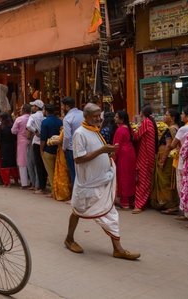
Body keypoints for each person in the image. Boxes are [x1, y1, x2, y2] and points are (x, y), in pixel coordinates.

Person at [64, 103, 140, 260]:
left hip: (101, 181)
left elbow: (95, 153)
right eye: (95, 116)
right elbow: (78, 159)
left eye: (99, 116)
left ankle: (117, 248)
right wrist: (102, 151)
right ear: (86, 117)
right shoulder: (80, 133)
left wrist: (108, 154)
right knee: (77, 211)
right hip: (87, 184)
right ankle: (69, 239)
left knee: (111, 214)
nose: (99, 119)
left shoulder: (94, 131)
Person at [150, 110, 180, 212]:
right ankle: (170, 204)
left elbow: (168, 146)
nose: (164, 116)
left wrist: (162, 160)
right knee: (168, 180)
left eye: (166, 115)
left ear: (172, 118)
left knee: (165, 181)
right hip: (170, 157)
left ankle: (169, 204)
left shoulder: (170, 130)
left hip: (166, 157)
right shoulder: (177, 129)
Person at [170, 105, 188, 214]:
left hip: (182, 161)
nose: (181, 115)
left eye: (182, 113)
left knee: (182, 187)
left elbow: (173, 144)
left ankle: (186, 213)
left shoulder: (184, 129)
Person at [132, 105, 158, 214]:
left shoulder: (146, 122)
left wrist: (131, 131)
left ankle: (139, 205)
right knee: (146, 180)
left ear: (142, 112)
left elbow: (136, 137)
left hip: (145, 156)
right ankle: (145, 203)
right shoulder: (149, 122)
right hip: (148, 155)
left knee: (142, 182)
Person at [113, 111, 136, 210]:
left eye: (116, 116)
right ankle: (130, 201)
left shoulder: (120, 130)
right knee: (130, 178)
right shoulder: (129, 128)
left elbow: (117, 146)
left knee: (123, 178)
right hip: (131, 154)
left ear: (121, 119)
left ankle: (125, 203)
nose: (114, 118)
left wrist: (113, 158)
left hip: (123, 155)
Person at [40, 104, 63, 195]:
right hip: (58, 148)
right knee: (58, 171)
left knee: (51, 172)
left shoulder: (45, 122)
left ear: (46, 111)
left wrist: (41, 149)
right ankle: (59, 190)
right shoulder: (59, 121)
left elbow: (43, 138)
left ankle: (54, 191)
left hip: (48, 149)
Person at [61, 96, 84, 185]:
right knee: (82, 173)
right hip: (83, 146)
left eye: (62, 106)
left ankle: (75, 197)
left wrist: (64, 147)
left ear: (67, 106)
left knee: (73, 172)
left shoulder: (67, 118)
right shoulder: (82, 114)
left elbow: (67, 137)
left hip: (71, 148)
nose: (62, 108)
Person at [26, 99, 47, 194]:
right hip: (44, 140)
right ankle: (42, 185)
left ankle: (38, 186)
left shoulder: (33, 116)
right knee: (43, 164)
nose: (32, 107)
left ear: (37, 107)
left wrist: (35, 131)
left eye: (34, 105)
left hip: (36, 141)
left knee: (37, 164)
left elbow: (28, 126)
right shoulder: (45, 116)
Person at [49, 127, 72, 202]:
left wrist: (50, 142)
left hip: (64, 152)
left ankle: (64, 194)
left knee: (63, 174)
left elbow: (61, 140)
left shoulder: (66, 128)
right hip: (66, 151)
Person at [0, 112, 19, 187]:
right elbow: (15, 139)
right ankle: (16, 181)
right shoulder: (12, 126)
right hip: (12, 147)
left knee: (4, 165)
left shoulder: (0, 128)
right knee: (12, 164)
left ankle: (7, 182)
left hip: (3, 148)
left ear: (1, 118)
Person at [11, 104, 31, 189]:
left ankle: (24, 183)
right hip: (31, 141)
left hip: (22, 142)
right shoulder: (31, 118)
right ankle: (33, 182)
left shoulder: (19, 119)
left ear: (23, 110)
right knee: (31, 162)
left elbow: (13, 131)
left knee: (22, 162)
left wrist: (20, 131)